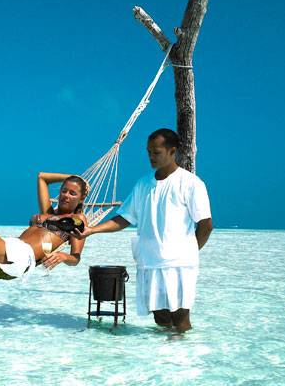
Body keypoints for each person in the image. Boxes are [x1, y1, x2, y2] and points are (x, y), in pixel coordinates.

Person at [75, 128, 213, 332]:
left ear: (172, 151)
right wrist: (92, 230)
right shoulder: (143, 184)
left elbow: (206, 225)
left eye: (156, 152)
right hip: (149, 262)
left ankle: (184, 352)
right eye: (149, 152)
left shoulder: (191, 183)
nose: (151, 157)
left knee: (180, 318)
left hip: (179, 264)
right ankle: (163, 352)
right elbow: (125, 218)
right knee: (160, 318)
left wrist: (188, 253)